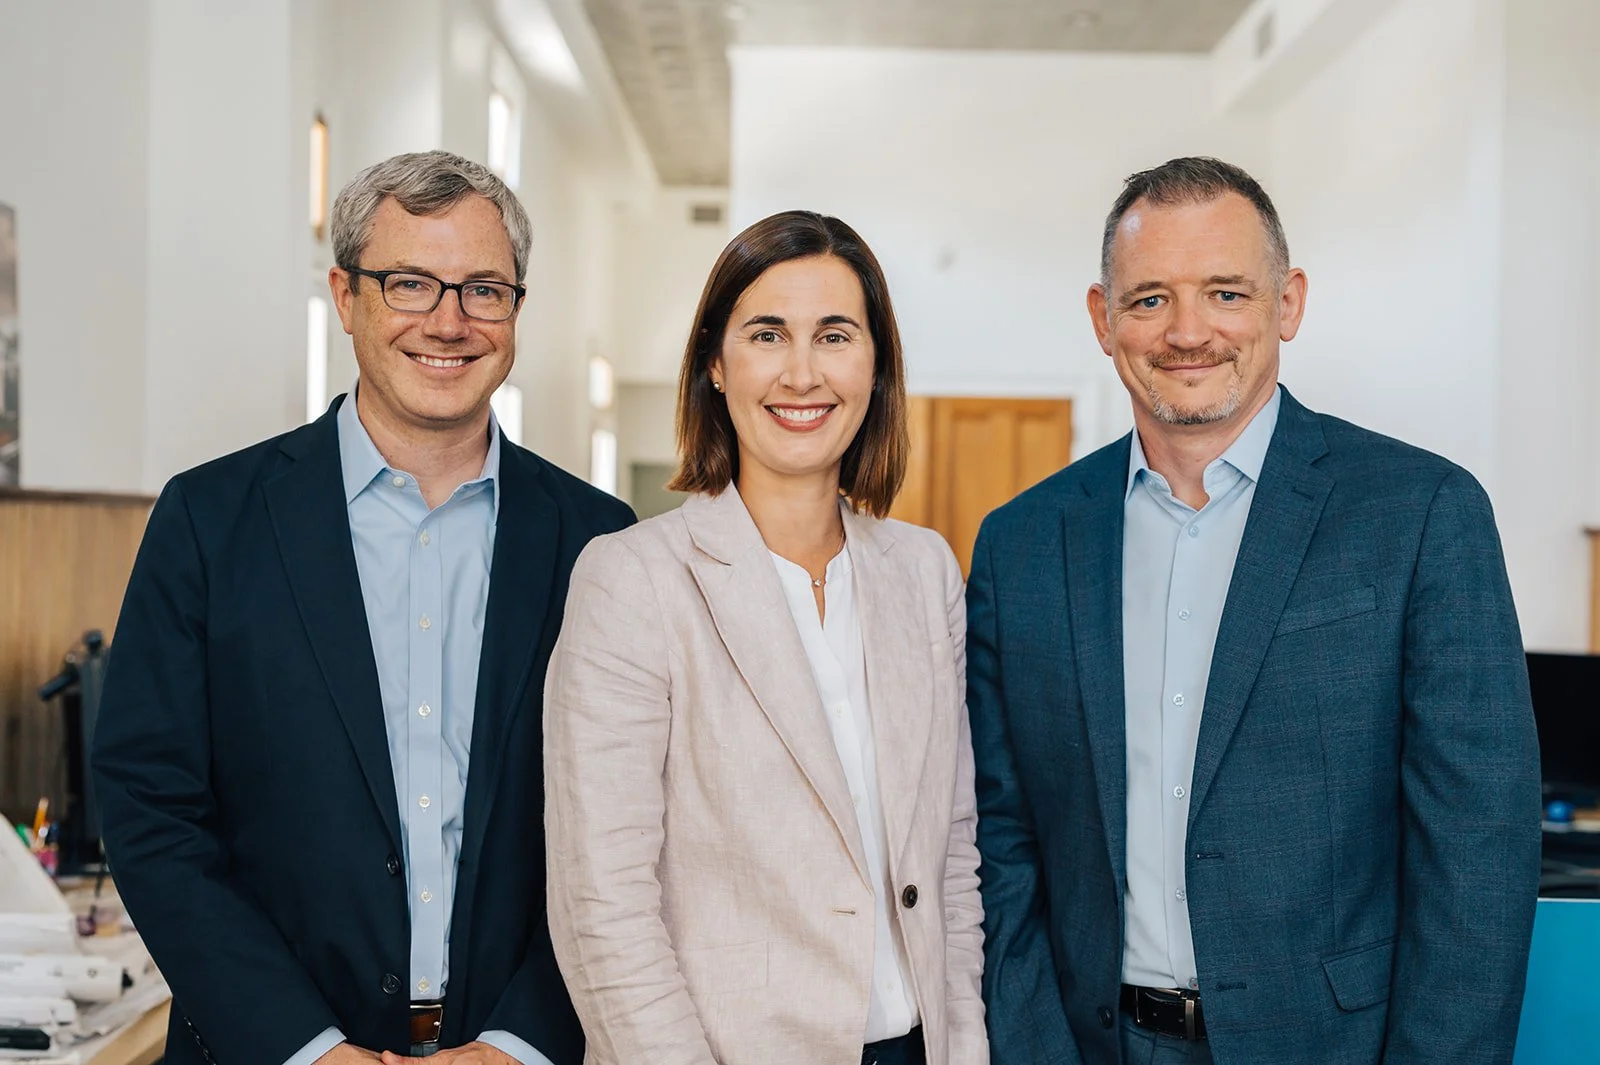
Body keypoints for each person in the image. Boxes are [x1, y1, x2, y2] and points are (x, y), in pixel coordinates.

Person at [968, 157, 1540, 1064]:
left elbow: (1479, 854)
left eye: (1226, 292)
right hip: (1093, 1043)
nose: (1188, 332)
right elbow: (1003, 836)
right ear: (1101, 318)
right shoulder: (1022, 543)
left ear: (1288, 304)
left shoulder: (1423, 514)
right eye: (1150, 298)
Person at [92, 150, 632, 1065]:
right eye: (410, 282)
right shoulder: (211, 521)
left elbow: (627, 835)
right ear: (346, 296)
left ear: (516, 312)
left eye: (484, 290)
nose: (449, 322)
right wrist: (305, 1049)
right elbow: (151, 809)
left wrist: (517, 1042)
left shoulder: (599, 542)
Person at [542, 210, 988, 1065]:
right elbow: (603, 903)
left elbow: (951, 855)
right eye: (767, 333)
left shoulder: (925, 571)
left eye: (835, 335)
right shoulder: (632, 579)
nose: (802, 371)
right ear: (716, 361)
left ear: (875, 365)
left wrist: (963, 1045)